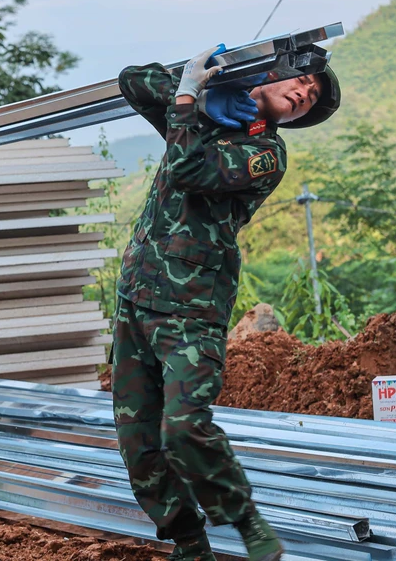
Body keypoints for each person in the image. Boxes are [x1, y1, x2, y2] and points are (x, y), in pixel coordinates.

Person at [112, 45, 340, 561]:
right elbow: (131, 80)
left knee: (185, 425)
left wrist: (192, 100)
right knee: (138, 443)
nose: (304, 94)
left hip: (189, 305)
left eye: (311, 100)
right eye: (304, 82)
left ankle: (246, 521)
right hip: (136, 292)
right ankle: (191, 546)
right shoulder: (203, 111)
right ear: (274, 73)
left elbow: (191, 168)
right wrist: (207, 83)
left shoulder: (265, 152)